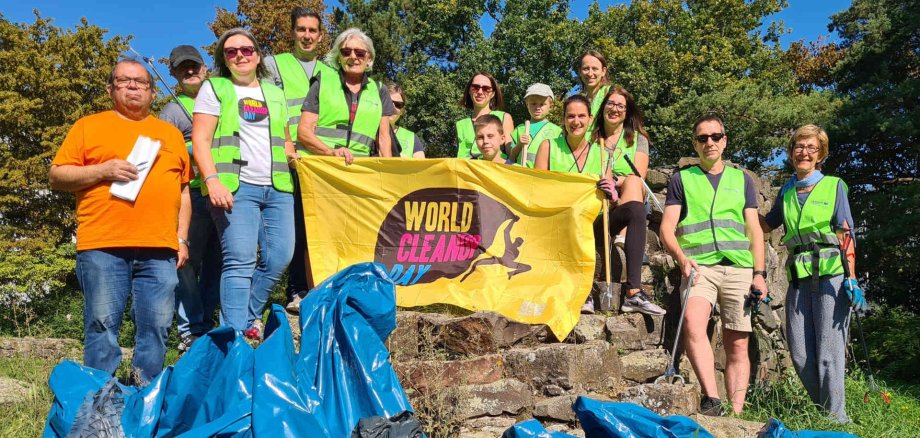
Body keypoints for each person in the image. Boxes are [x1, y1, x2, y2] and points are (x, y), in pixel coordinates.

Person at [49, 59, 192, 384]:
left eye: (140, 82)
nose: (132, 86)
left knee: (157, 326)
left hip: (159, 248)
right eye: (123, 80)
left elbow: (183, 191)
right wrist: (103, 170)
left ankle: (145, 394)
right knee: (102, 323)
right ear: (110, 88)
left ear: (152, 92)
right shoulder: (89, 126)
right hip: (102, 245)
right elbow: (57, 175)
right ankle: (99, 399)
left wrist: (181, 238)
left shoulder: (169, 134)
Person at [191, 28, 298, 339]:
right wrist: (212, 180)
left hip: (278, 188)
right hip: (235, 188)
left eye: (246, 49)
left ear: (258, 55)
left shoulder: (275, 93)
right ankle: (235, 336)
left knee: (280, 257)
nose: (239, 55)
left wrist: (312, 160)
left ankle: (246, 315)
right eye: (231, 51)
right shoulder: (215, 88)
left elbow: (286, 142)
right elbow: (201, 140)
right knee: (239, 260)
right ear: (223, 58)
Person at [658, 114, 768, 416]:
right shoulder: (682, 179)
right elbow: (667, 228)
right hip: (699, 267)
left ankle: (737, 412)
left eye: (715, 136)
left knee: (737, 342)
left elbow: (754, 230)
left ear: (725, 140)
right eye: (703, 138)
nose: (710, 142)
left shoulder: (742, 179)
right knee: (693, 323)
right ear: (695, 142)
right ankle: (713, 400)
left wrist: (759, 274)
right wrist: (681, 259)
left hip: (739, 268)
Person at [760, 124, 862, 424]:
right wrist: (740, 209)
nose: (804, 152)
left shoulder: (834, 186)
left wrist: (853, 279)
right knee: (801, 355)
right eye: (799, 147)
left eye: (811, 148)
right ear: (791, 152)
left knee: (829, 355)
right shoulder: (788, 190)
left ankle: (835, 422)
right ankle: (825, 414)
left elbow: (846, 234)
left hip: (832, 277)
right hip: (799, 278)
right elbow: (768, 224)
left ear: (820, 154)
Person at [262, 7, 336, 310]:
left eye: (312, 31)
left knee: (322, 229)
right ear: (292, 32)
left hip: (323, 161)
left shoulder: (331, 71)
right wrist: (285, 148)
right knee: (294, 229)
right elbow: (271, 110)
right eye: (301, 29)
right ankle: (295, 291)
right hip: (289, 159)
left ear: (320, 36)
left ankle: (321, 287)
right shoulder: (274, 65)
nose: (307, 36)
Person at [159, 45, 222, 352]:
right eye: (182, 68)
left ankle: (208, 324)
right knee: (186, 262)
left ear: (205, 68)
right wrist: (191, 149)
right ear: (173, 74)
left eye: (194, 66)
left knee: (219, 263)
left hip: (225, 190)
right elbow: (163, 153)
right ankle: (190, 328)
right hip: (193, 192)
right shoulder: (172, 111)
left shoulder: (222, 99)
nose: (190, 72)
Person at [594, 87, 665, 316]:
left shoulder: (637, 140)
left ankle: (633, 291)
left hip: (620, 204)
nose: (614, 109)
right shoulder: (589, 136)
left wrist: (615, 180)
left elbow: (640, 175)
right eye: (611, 104)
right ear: (602, 107)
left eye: (620, 106)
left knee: (634, 183)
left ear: (627, 112)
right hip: (592, 208)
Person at [297, 27, 396, 164]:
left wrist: (388, 171)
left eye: (360, 53)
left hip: (359, 170)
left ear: (369, 59)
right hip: (321, 165)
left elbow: (384, 139)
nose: (353, 57)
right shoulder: (322, 82)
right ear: (339, 57)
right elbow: (304, 131)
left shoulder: (380, 91)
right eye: (346, 52)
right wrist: (331, 152)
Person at [456, 72, 515, 159]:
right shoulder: (461, 124)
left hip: (493, 170)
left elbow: (511, 155)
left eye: (486, 88)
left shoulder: (504, 117)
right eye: (475, 87)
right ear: (469, 90)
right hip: (466, 171)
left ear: (493, 93)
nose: (480, 92)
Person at [509, 83, 562, 167]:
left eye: (542, 104)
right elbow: (512, 156)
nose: (537, 107)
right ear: (527, 105)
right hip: (521, 174)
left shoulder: (557, 131)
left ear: (550, 106)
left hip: (542, 176)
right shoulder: (520, 129)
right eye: (533, 104)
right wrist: (519, 144)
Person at [386, 80, 426, 158]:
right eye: (389, 102)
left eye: (398, 104)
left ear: (402, 111)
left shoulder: (412, 138)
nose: (393, 107)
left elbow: (421, 167)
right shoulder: (368, 133)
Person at [576, 50, 611, 125]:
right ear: (579, 72)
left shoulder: (611, 94)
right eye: (586, 69)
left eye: (595, 69)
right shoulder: (581, 102)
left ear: (603, 71)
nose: (590, 73)